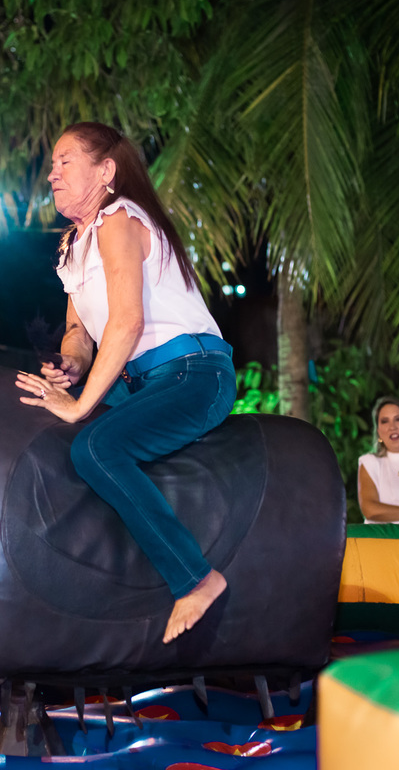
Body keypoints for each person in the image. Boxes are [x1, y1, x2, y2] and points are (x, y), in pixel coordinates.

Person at [14, 122, 236, 644]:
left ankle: (197, 578)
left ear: (106, 170)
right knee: (42, 425)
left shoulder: (119, 221)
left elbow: (128, 322)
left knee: (94, 447)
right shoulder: (74, 244)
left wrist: (80, 404)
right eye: (52, 164)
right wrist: (70, 368)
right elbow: (79, 333)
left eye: (65, 161)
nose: (52, 174)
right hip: (137, 379)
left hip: (192, 373)